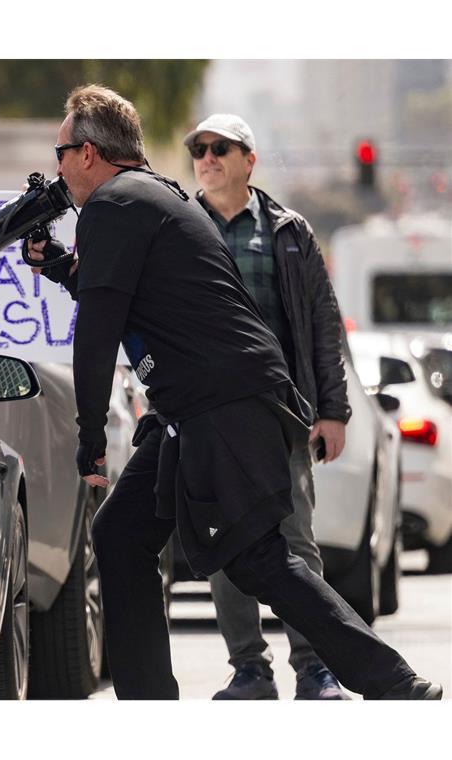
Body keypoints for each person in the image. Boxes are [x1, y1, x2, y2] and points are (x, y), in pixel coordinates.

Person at [25, 84, 441, 700]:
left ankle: (396, 684)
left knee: (259, 558)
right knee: (121, 533)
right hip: (198, 410)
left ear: (88, 154)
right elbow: (132, 293)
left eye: (59, 152)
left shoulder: (115, 205)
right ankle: (149, 702)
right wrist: (61, 267)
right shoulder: (154, 197)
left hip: (224, 409)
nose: (56, 168)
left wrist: (89, 441)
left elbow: (98, 329)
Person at [184, 113, 350, 700]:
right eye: (198, 149)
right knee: (225, 545)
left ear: (248, 159)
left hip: (284, 416)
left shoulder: (289, 231)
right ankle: (249, 670)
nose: (207, 157)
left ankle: (315, 667)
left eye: (220, 148)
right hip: (210, 420)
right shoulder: (182, 227)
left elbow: (323, 326)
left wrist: (333, 410)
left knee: (296, 544)